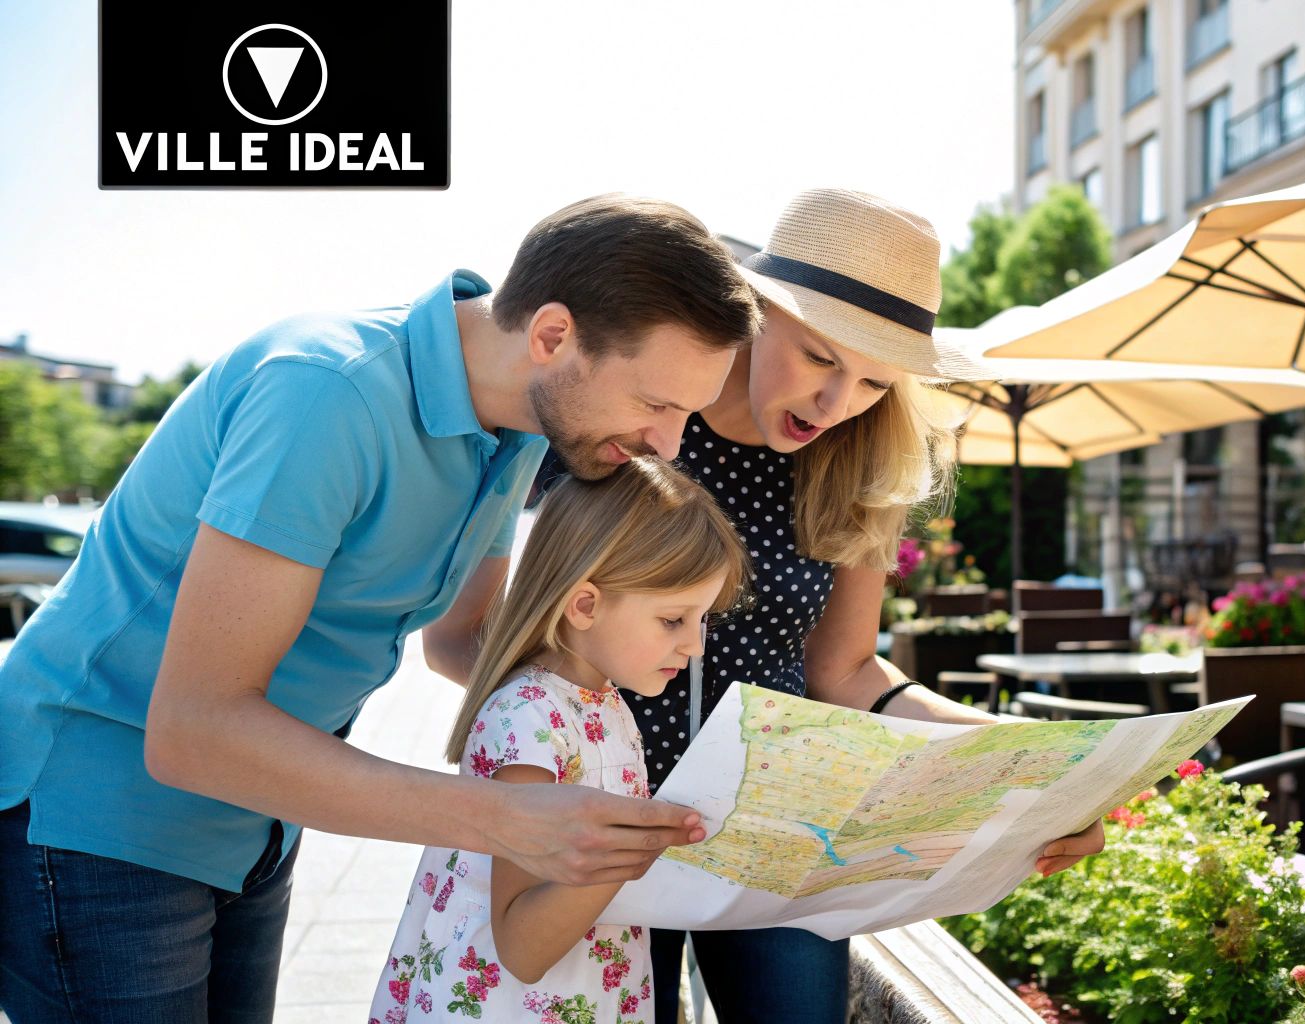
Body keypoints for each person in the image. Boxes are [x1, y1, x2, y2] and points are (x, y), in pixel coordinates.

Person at [0, 194, 762, 1023]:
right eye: (656, 403)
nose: (670, 443)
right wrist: (507, 817)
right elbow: (192, 730)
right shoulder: (325, 395)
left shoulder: (522, 423)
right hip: (98, 816)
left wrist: (627, 763)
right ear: (551, 336)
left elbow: (466, 639)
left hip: (259, 819)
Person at [538, 188, 1108, 1023]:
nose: (838, 404)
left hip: (779, 825)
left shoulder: (867, 460)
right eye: (819, 358)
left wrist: (1023, 757)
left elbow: (844, 669)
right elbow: (527, 627)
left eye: (875, 380)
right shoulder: (643, 408)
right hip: (605, 809)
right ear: (757, 312)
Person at [370, 459, 749, 1023]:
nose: (695, 646)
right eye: (674, 619)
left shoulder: (607, 705)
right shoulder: (529, 720)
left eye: (703, 620)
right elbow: (523, 947)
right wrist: (633, 847)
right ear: (586, 605)